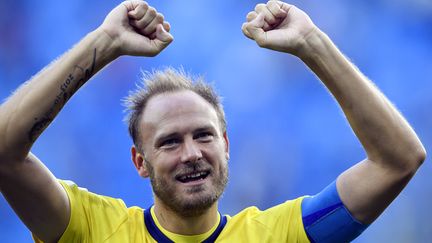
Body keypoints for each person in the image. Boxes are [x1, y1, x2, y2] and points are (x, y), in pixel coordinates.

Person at [0, 0, 426, 242]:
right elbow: (4, 153)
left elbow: (399, 160)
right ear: (139, 161)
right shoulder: (91, 230)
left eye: (204, 135)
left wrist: (312, 44)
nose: (191, 154)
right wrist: (104, 42)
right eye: (168, 142)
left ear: (226, 145)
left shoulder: (279, 235)